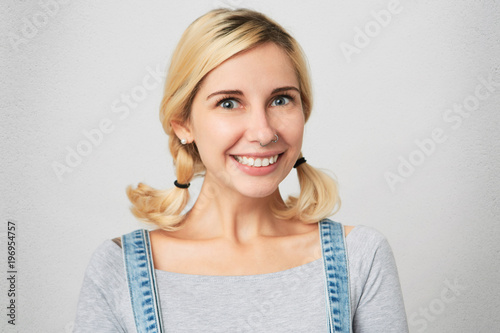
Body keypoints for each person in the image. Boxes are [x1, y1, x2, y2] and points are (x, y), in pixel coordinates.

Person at [73, 8, 408, 332]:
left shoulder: (360, 257)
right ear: (183, 124)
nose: (263, 133)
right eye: (229, 103)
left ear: (303, 110)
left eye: (281, 100)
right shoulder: (117, 270)